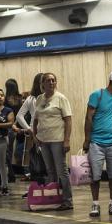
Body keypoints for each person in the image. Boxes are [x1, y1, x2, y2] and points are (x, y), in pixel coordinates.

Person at [83, 69, 112, 217]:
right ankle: (95, 204)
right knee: (95, 175)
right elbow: (88, 118)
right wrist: (87, 140)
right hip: (96, 142)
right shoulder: (97, 95)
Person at [32, 73, 74, 210]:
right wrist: (35, 135)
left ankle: (67, 201)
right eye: (48, 81)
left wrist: (66, 140)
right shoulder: (39, 99)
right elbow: (36, 119)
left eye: (53, 80)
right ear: (42, 84)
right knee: (50, 171)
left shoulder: (61, 98)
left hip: (57, 139)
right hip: (43, 140)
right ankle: (52, 198)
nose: (51, 83)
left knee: (61, 170)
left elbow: (68, 120)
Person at [5, 78, 23, 183]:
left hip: (8, 127)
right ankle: (11, 174)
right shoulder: (20, 98)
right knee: (11, 152)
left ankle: (11, 174)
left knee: (7, 153)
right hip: (18, 127)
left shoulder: (6, 99)